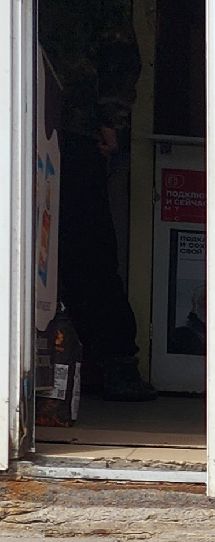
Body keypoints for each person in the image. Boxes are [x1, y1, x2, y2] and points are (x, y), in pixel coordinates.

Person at [38, 0, 157, 402]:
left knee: (84, 247)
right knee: (85, 247)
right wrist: (110, 120)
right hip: (67, 121)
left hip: (70, 123)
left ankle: (115, 363)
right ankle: (117, 365)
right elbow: (119, 51)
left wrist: (109, 120)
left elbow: (119, 50)